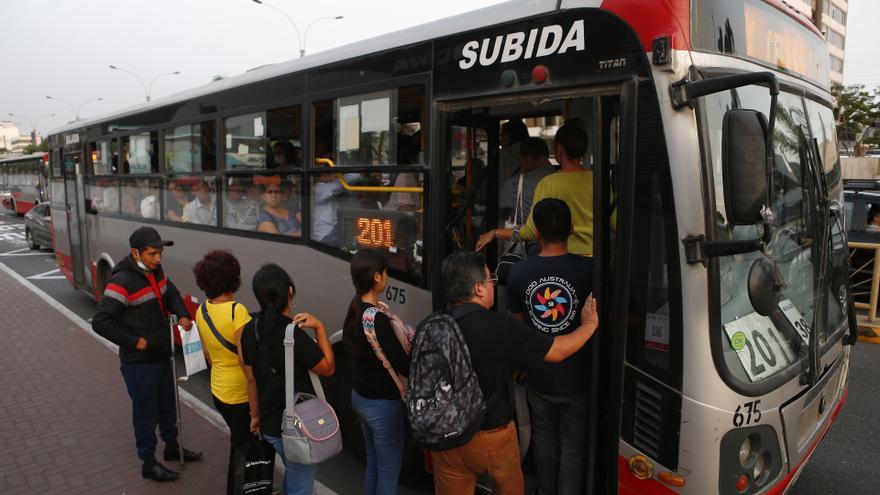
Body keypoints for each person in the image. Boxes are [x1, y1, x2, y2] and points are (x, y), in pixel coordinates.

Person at [430, 251, 598, 494]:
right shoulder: (501, 326)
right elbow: (558, 351)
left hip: (445, 437)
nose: (492, 287)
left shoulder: (433, 325)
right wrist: (589, 325)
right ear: (478, 288)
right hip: (491, 435)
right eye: (490, 281)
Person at [91, 226, 202, 482]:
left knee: (167, 406)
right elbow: (101, 321)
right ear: (135, 253)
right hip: (139, 363)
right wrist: (135, 342)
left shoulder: (156, 271)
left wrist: (183, 314)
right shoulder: (122, 280)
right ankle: (148, 462)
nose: (158, 258)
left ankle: (172, 447)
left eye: (159, 253)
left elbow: (170, 292)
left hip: (162, 355)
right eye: (152, 253)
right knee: (146, 412)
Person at [506, 198, 593, 495]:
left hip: (538, 371)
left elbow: (516, 326)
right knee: (573, 445)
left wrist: (520, 365)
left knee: (543, 437)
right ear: (571, 228)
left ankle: (545, 490)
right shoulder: (590, 270)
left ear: (538, 233)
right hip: (578, 375)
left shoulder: (519, 272)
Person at [238, 263, 335, 495]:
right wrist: (320, 328)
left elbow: (251, 379)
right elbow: (328, 368)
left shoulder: (249, 330)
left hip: (270, 426)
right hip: (298, 429)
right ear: (289, 292)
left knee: (293, 474)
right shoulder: (293, 334)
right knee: (301, 484)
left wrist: (254, 416)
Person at [193, 250, 263, 495]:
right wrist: (255, 413)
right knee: (242, 450)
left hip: (219, 391)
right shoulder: (237, 312)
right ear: (233, 278)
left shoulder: (201, 311)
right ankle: (241, 490)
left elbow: (209, 356)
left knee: (239, 441)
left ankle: (252, 487)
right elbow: (250, 371)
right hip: (240, 396)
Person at [342, 250, 410, 495]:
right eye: (386, 272)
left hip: (360, 397)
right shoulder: (377, 318)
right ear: (377, 277)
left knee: (374, 463)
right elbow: (403, 364)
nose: (387, 276)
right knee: (389, 471)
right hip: (382, 405)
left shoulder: (356, 309)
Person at [476, 124, 595, 256]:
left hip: (566, 257)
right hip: (598, 258)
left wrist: (495, 232)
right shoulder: (599, 180)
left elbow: (531, 231)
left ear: (559, 149)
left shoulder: (548, 183)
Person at [499, 137, 556, 256]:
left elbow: (501, 212)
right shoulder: (560, 180)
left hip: (527, 246)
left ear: (527, 158)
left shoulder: (513, 184)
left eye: (520, 158)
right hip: (558, 246)